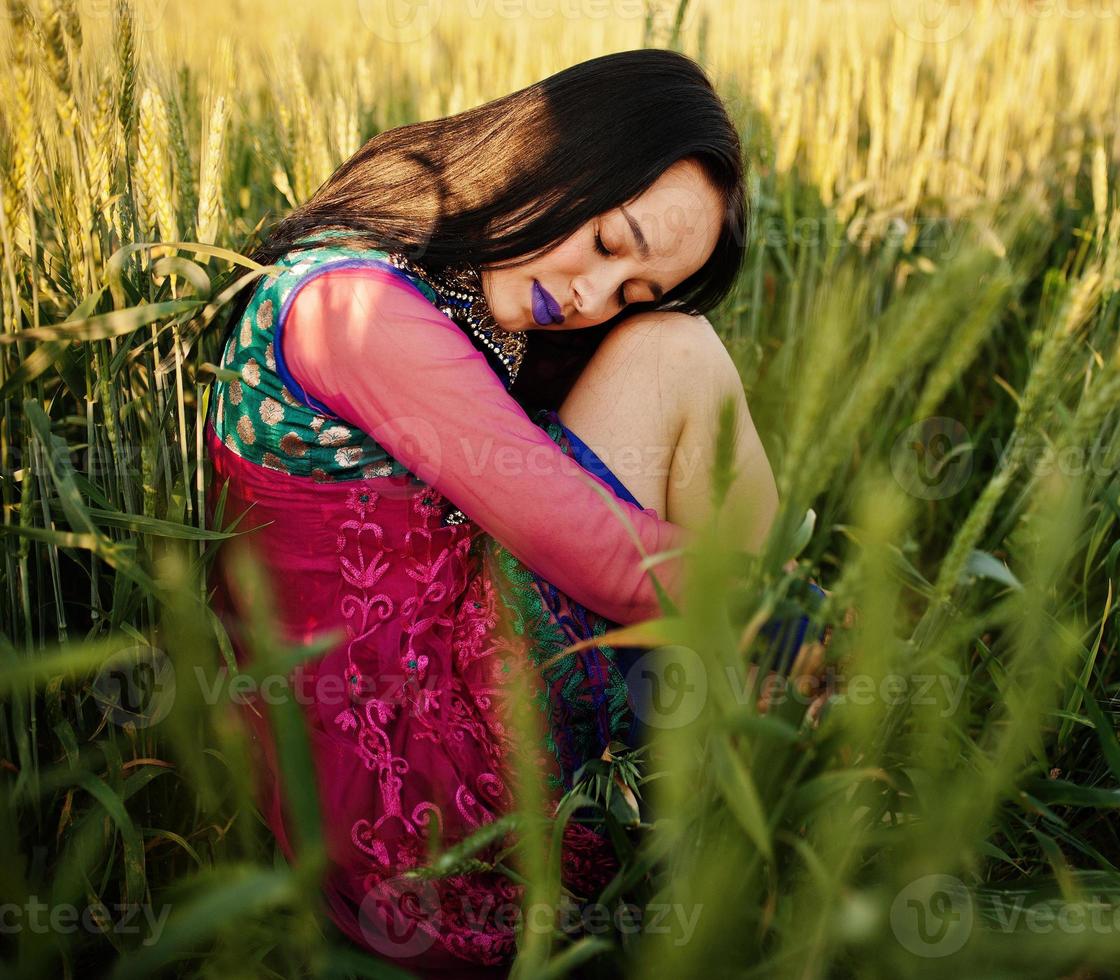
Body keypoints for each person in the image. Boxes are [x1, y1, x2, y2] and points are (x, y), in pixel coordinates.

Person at [204, 49, 820, 975]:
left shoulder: (440, 292)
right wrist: (781, 619)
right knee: (672, 354)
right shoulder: (352, 307)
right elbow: (595, 552)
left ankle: (754, 754)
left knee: (663, 355)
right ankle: (779, 743)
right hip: (419, 799)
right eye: (612, 245)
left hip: (399, 727)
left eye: (630, 291)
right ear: (555, 156)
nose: (590, 300)